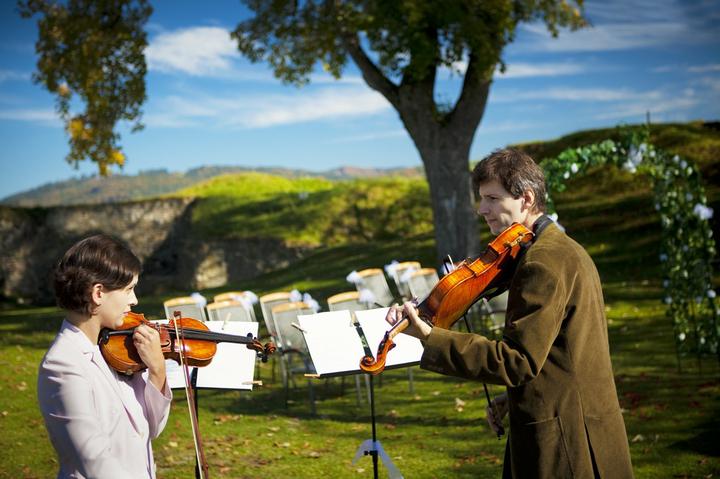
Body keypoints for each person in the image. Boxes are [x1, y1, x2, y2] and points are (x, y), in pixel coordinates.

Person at [387, 148, 633, 478]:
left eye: (492, 198)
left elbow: (518, 361)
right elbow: (562, 353)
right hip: (583, 425)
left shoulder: (541, 262)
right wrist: (513, 397)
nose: (481, 209)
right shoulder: (563, 248)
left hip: (568, 443)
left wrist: (431, 337)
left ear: (526, 199)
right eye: (481, 199)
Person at [38, 234, 172, 478]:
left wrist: (157, 370)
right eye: (129, 289)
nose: (135, 300)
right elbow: (96, 463)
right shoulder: (62, 365)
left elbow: (151, 428)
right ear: (98, 293)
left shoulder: (118, 350)